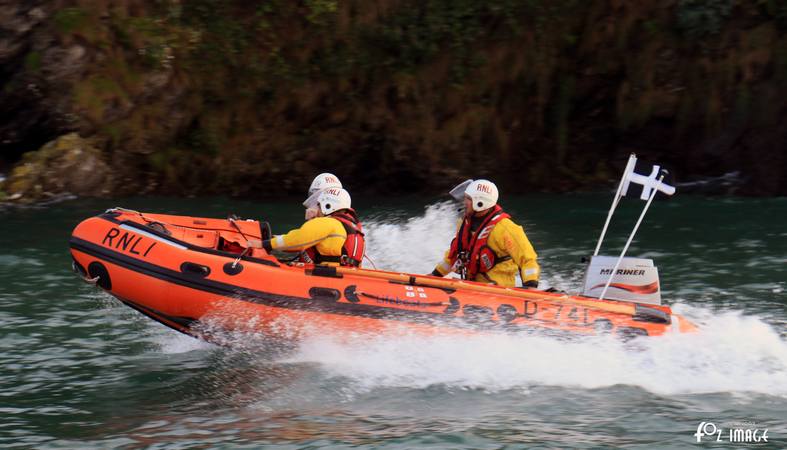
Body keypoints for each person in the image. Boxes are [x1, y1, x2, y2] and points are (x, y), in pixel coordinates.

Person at [430, 179, 540, 288]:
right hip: (471, 288)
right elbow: (454, 256)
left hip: (498, 293)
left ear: (480, 202)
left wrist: (531, 287)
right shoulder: (464, 223)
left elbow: (527, 260)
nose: (464, 202)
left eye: (468, 199)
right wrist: (434, 276)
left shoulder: (505, 228)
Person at [262, 187, 365, 266]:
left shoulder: (327, 223)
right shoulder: (352, 227)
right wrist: (275, 238)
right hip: (344, 277)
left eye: (319, 205)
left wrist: (265, 243)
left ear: (328, 205)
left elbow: (298, 240)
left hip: (324, 277)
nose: (317, 209)